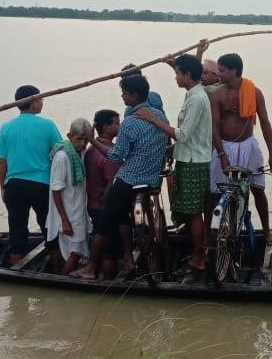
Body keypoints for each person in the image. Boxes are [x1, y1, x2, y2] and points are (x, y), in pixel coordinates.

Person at [78, 75, 169, 280]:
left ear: (133, 95)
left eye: (124, 93)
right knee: (122, 218)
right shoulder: (160, 117)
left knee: (103, 224)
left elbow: (116, 155)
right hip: (151, 181)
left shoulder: (130, 122)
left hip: (128, 180)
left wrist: (93, 140)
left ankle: (91, 268)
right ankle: (128, 256)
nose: (122, 96)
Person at [133, 53, 213, 283]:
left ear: (188, 75)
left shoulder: (197, 98)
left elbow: (183, 134)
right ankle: (196, 255)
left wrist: (153, 119)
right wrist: (172, 150)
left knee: (193, 212)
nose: (175, 77)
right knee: (188, 211)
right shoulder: (193, 93)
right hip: (187, 158)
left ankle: (198, 259)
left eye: (178, 73)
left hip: (193, 162)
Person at [208, 52, 272, 243]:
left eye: (222, 71)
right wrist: (221, 154)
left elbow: (265, 124)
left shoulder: (254, 92)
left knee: (257, 190)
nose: (219, 74)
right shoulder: (217, 94)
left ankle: (265, 231)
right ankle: (214, 236)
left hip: (249, 147)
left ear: (233, 71)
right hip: (224, 147)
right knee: (216, 193)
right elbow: (214, 126)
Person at [0, 85, 63, 266]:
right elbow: (60, 153)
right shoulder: (47, 125)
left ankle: (15, 268)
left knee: (17, 229)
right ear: (32, 103)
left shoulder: (6, 127)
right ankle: (58, 268)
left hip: (14, 185)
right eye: (40, 99)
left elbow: (2, 162)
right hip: (41, 184)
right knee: (49, 227)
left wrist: (3, 186)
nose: (42, 102)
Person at [46, 118, 93, 275]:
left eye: (85, 139)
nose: (82, 143)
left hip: (77, 209)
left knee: (72, 250)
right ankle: (62, 280)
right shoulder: (62, 157)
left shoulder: (80, 153)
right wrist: (64, 220)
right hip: (68, 212)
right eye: (79, 139)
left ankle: (62, 278)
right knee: (76, 250)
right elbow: (56, 190)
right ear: (69, 136)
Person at [84, 109, 121, 228]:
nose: (120, 127)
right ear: (105, 127)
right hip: (104, 206)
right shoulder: (108, 153)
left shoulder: (90, 149)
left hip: (92, 204)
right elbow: (112, 183)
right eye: (116, 124)